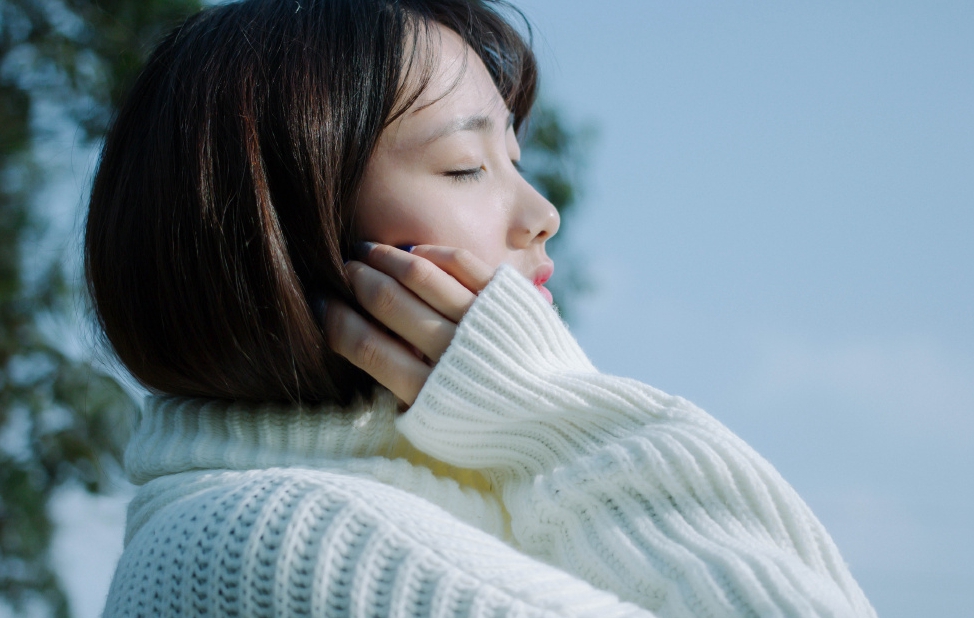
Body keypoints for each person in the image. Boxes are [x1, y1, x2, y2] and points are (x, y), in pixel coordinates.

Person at [85, 0, 876, 616]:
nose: (540, 212)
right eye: (465, 167)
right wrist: (555, 413)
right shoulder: (274, 540)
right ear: (281, 232)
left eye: (514, 158)